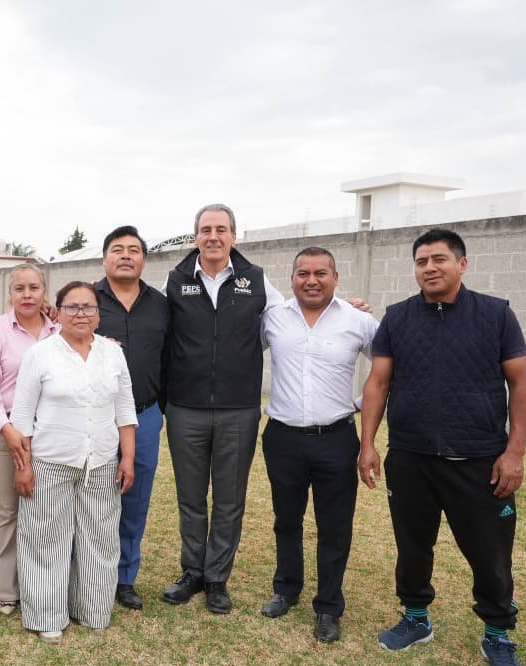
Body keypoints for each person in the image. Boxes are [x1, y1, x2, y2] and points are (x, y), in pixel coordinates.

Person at [359, 228, 526, 666]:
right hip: (411, 457)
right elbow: (378, 382)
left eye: (439, 259)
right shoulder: (398, 317)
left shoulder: (495, 314)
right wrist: (368, 442)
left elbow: (521, 383)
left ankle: (497, 633)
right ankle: (416, 618)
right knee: (412, 544)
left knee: (490, 552)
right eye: (421, 261)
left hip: (479, 460)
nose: (429, 268)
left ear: (462, 264)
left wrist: (514, 452)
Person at [160, 204, 284, 614]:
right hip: (185, 409)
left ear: (234, 236)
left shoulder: (257, 281)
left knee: (229, 501)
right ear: (195, 236)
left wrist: (342, 306)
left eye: (221, 229)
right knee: (190, 498)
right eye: (205, 229)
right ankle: (192, 572)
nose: (213, 236)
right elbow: (148, 320)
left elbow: (290, 319)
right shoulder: (175, 281)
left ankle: (216, 578)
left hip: (238, 409)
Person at [259, 247, 378, 643]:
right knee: (286, 520)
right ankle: (286, 588)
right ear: (292, 278)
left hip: (336, 439)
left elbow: (389, 369)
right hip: (283, 437)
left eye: (320, 273)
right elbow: (236, 349)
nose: (311, 280)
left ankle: (328, 606)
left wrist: (358, 404)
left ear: (335, 278)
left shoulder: (358, 321)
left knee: (335, 526)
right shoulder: (273, 318)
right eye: (303, 273)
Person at [10, 281, 136, 643]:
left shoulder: (112, 353)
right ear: (59, 312)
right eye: (72, 307)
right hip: (51, 461)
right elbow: (22, 417)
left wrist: (127, 457)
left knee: (100, 537)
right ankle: (46, 614)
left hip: (101, 461)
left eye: (88, 307)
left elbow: (124, 408)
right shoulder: (41, 354)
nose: (81, 314)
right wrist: (23, 466)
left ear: (98, 314)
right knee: (45, 539)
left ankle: (92, 609)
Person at [0, 265, 60, 615]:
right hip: (1, 429)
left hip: (48, 431)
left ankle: (39, 583)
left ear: (44, 292)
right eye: (19, 288)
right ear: (9, 294)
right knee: (8, 509)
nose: (27, 295)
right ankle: (6, 588)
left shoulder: (59, 330)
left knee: (43, 508)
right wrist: (8, 429)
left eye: (34, 288)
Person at [94, 225, 167, 611]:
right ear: (104, 258)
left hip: (145, 416)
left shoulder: (161, 304)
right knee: (90, 497)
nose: (125, 255)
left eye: (134, 250)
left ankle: (124, 578)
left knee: (134, 499)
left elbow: (172, 357)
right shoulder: (85, 300)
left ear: (143, 260)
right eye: (117, 249)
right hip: (94, 419)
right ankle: (88, 573)